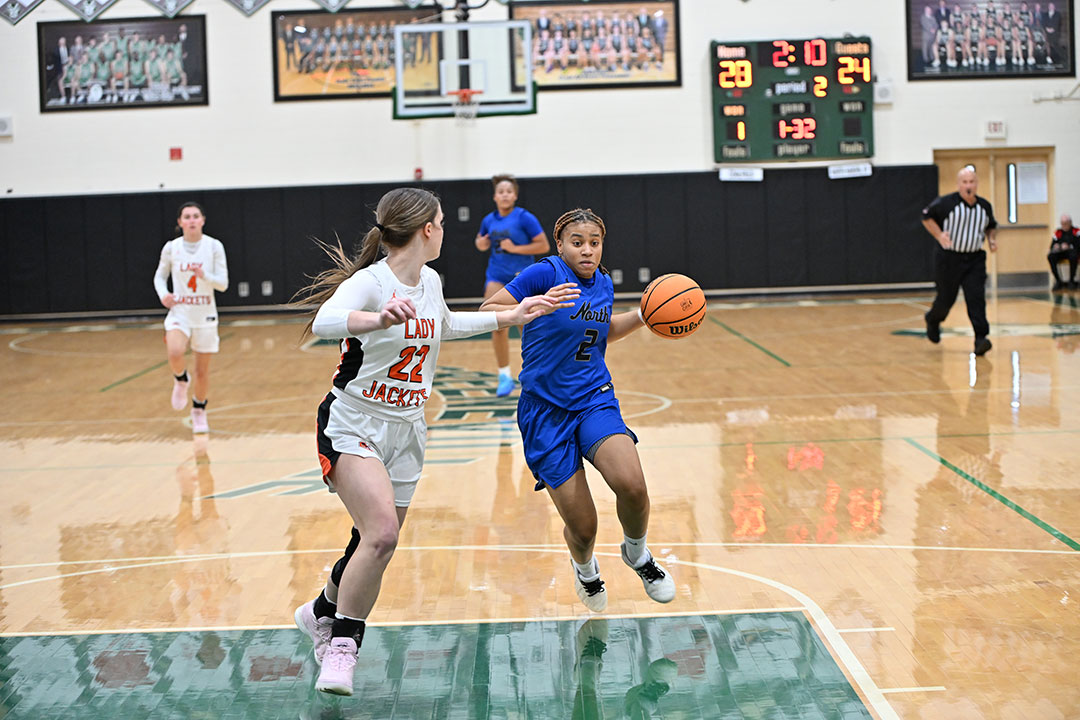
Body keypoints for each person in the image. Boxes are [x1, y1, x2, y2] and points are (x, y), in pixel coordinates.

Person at [291, 188, 578, 697]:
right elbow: (325, 320)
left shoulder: (430, 281)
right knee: (382, 534)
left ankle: (320, 611)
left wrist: (513, 315)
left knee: (370, 541)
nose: (445, 230)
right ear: (427, 229)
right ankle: (342, 645)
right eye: (442, 222)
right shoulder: (372, 282)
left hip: (408, 428)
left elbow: (445, 324)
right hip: (355, 422)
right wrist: (377, 319)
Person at [480, 208, 677, 614]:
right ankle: (585, 570)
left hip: (593, 398)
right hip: (544, 412)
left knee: (633, 485)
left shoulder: (602, 282)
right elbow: (486, 311)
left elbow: (600, 332)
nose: (587, 250)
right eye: (577, 242)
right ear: (560, 245)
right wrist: (528, 307)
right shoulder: (544, 274)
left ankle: (637, 553)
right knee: (584, 528)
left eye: (594, 242)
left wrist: (644, 316)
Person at [153, 202, 229, 433]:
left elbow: (223, 284)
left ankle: (198, 410)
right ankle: (180, 378)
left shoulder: (214, 246)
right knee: (175, 351)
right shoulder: (171, 248)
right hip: (180, 312)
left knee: (202, 372)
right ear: (180, 222)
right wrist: (164, 295)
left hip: (205, 315)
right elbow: (159, 277)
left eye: (196, 216)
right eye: (187, 217)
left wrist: (204, 275)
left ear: (203, 220)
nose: (192, 220)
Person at [474, 175, 550, 396]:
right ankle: (504, 376)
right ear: (495, 196)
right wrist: (481, 243)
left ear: (515, 195)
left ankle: (535, 374)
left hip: (522, 278)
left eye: (509, 191)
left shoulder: (525, 217)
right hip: (496, 276)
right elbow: (480, 242)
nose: (505, 195)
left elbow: (543, 245)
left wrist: (515, 248)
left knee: (527, 327)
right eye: (501, 191)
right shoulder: (489, 220)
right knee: (495, 323)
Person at [921, 166, 998, 356]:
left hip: (974, 259)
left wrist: (991, 239)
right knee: (946, 298)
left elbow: (991, 225)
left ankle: (981, 338)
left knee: (976, 298)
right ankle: (933, 319)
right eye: (965, 182)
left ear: (977, 184)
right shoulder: (946, 203)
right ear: (958, 184)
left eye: (971, 182)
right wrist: (939, 235)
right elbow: (926, 217)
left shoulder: (984, 206)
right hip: (949, 259)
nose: (968, 186)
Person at [1048, 213, 1079, 290]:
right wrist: (1056, 246)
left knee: (1073, 256)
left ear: (1070, 223)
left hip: (1072, 252)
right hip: (1061, 252)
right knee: (1051, 256)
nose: (1064, 225)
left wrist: (1069, 246)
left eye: (1065, 223)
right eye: (1062, 224)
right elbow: (1052, 244)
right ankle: (1058, 281)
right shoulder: (1058, 232)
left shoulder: (1076, 231)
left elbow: (1078, 244)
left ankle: (1071, 280)